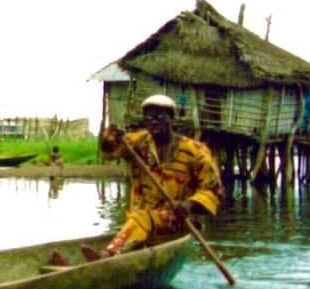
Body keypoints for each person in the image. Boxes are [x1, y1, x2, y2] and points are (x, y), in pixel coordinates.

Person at [92, 93, 223, 258]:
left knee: (143, 219)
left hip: (175, 220)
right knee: (140, 218)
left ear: (171, 120)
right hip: (139, 217)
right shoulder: (137, 143)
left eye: (161, 116)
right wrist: (109, 139)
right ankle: (116, 250)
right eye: (149, 117)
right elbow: (110, 152)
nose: (154, 121)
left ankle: (107, 255)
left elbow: (213, 190)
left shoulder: (195, 151)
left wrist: (188, 206)